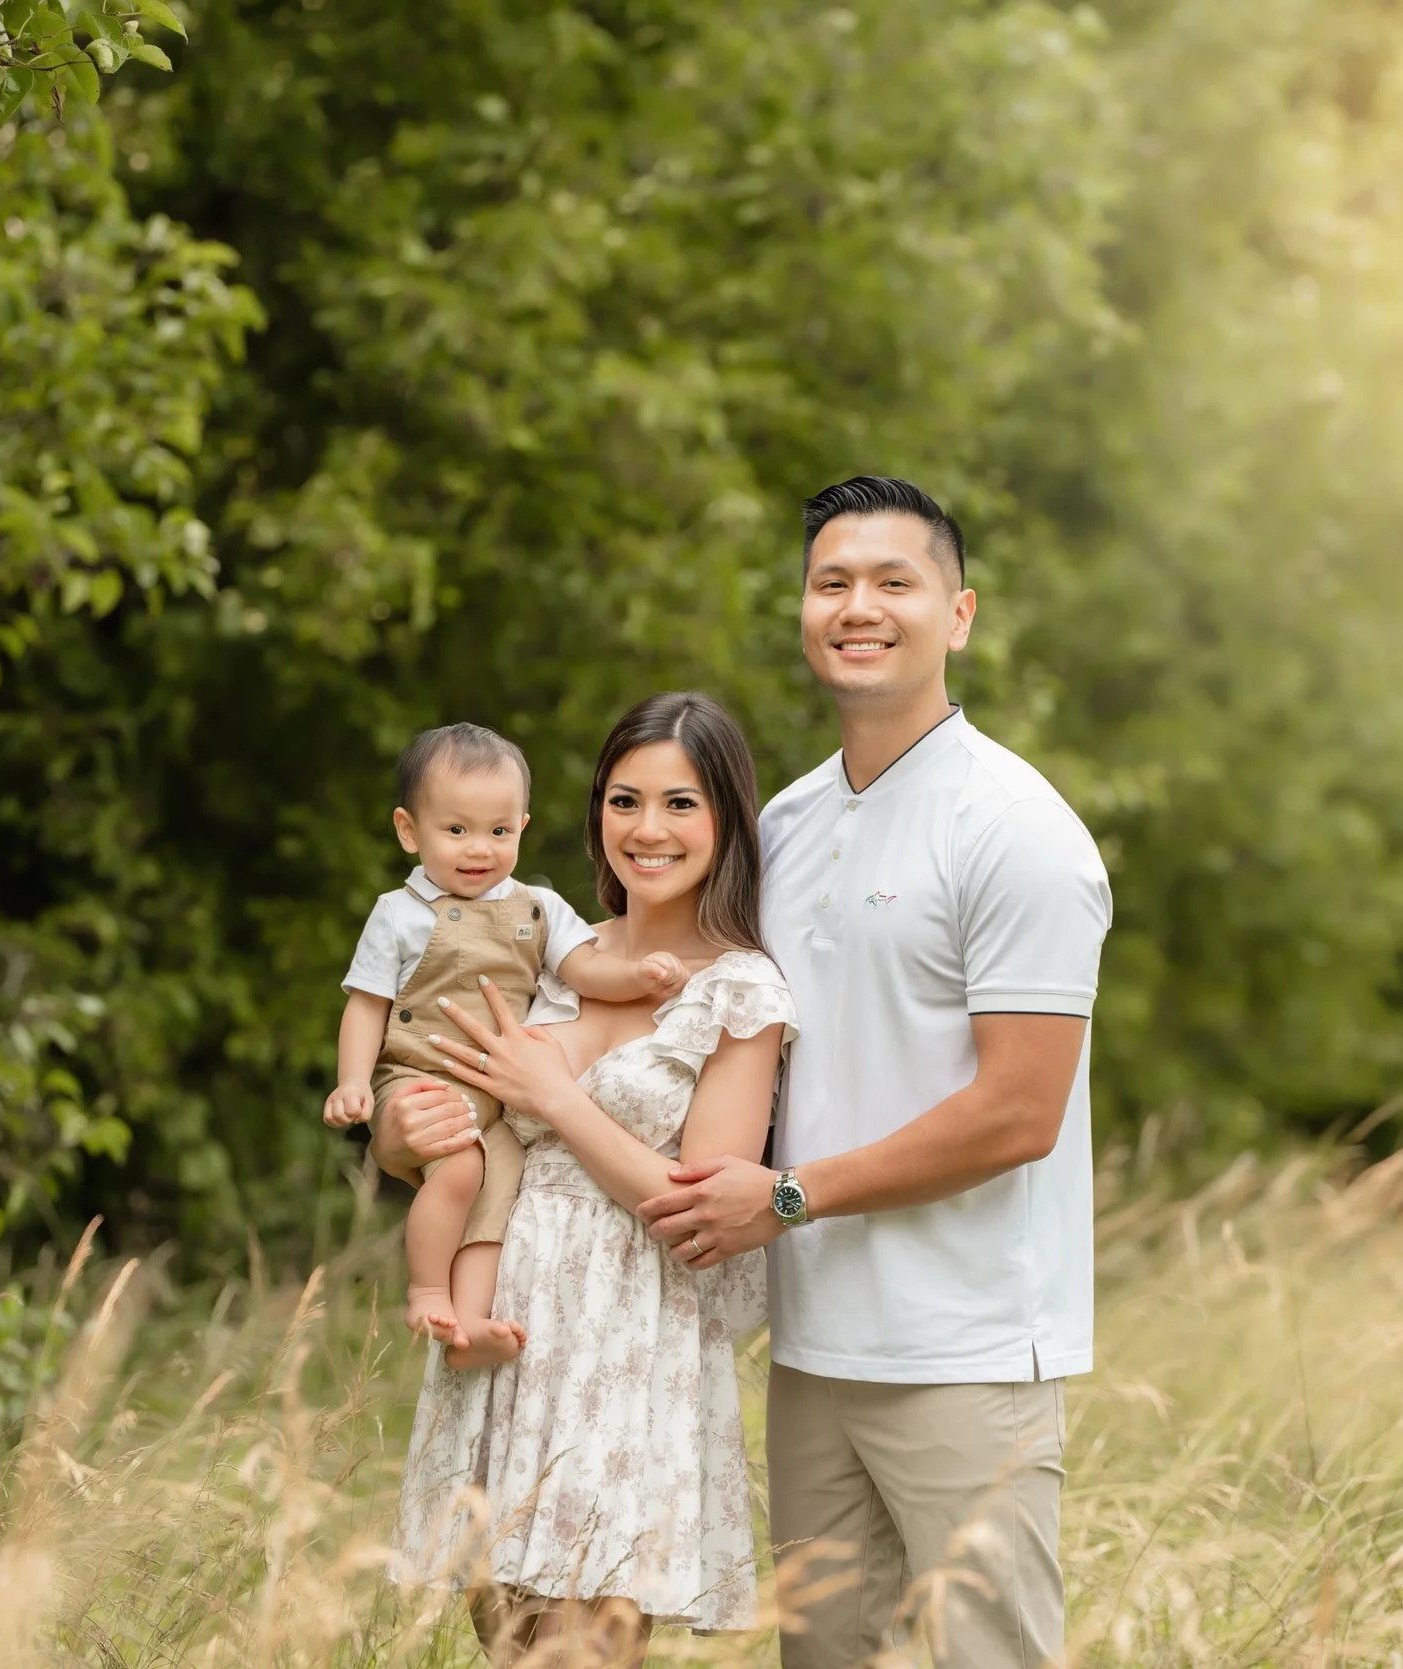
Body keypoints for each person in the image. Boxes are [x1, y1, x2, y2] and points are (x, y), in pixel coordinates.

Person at [636, 476, 1112, 1669]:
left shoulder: (1016, 828)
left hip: (966, 1350)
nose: (858, 606)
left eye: (893, 581)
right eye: (831, 582)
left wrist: (789, 1196)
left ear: (958, 613)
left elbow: (1019, 1111)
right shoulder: (780, 828)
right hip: (812, 1345)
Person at [373, 692, 794, 1665]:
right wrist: (399, 1130)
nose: (647, 829)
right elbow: (454, 1113)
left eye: (681, 803)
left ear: (726, 818)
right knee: (509, 1643)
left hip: (627, 1338)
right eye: (624, 800)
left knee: (579, 1651)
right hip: (508, 1326)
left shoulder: (740, 989)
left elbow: (699, 1210)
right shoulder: (546, 951)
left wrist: (558, 1099)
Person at [326, 721, 687, 1361]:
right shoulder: (399, 913)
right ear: (409, 830)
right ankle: (425, 1290)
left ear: (522, 826)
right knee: (462, 1170)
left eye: (498, 832)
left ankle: (468, 1323)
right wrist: (354, 1082)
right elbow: (367, 1004)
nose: (479, 849)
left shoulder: (539, 908)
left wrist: (636, 977)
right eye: (456, 830)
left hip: (498, 1093)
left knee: (502, 1190)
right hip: (421, 1075)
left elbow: (584, 969)